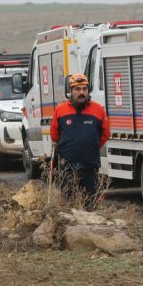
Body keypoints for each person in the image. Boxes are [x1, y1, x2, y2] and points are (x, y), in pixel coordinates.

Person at [51, 73, 110, 209]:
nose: (81, 92)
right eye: (77, 89)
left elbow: (105, 134)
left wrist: (92, 146)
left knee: (90, 202)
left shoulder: (98, 110)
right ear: (71, 91)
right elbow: (55, 135)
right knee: (69, 202)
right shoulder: (60, 110)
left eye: (84, 89)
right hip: (67, 164)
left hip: (90, 164)